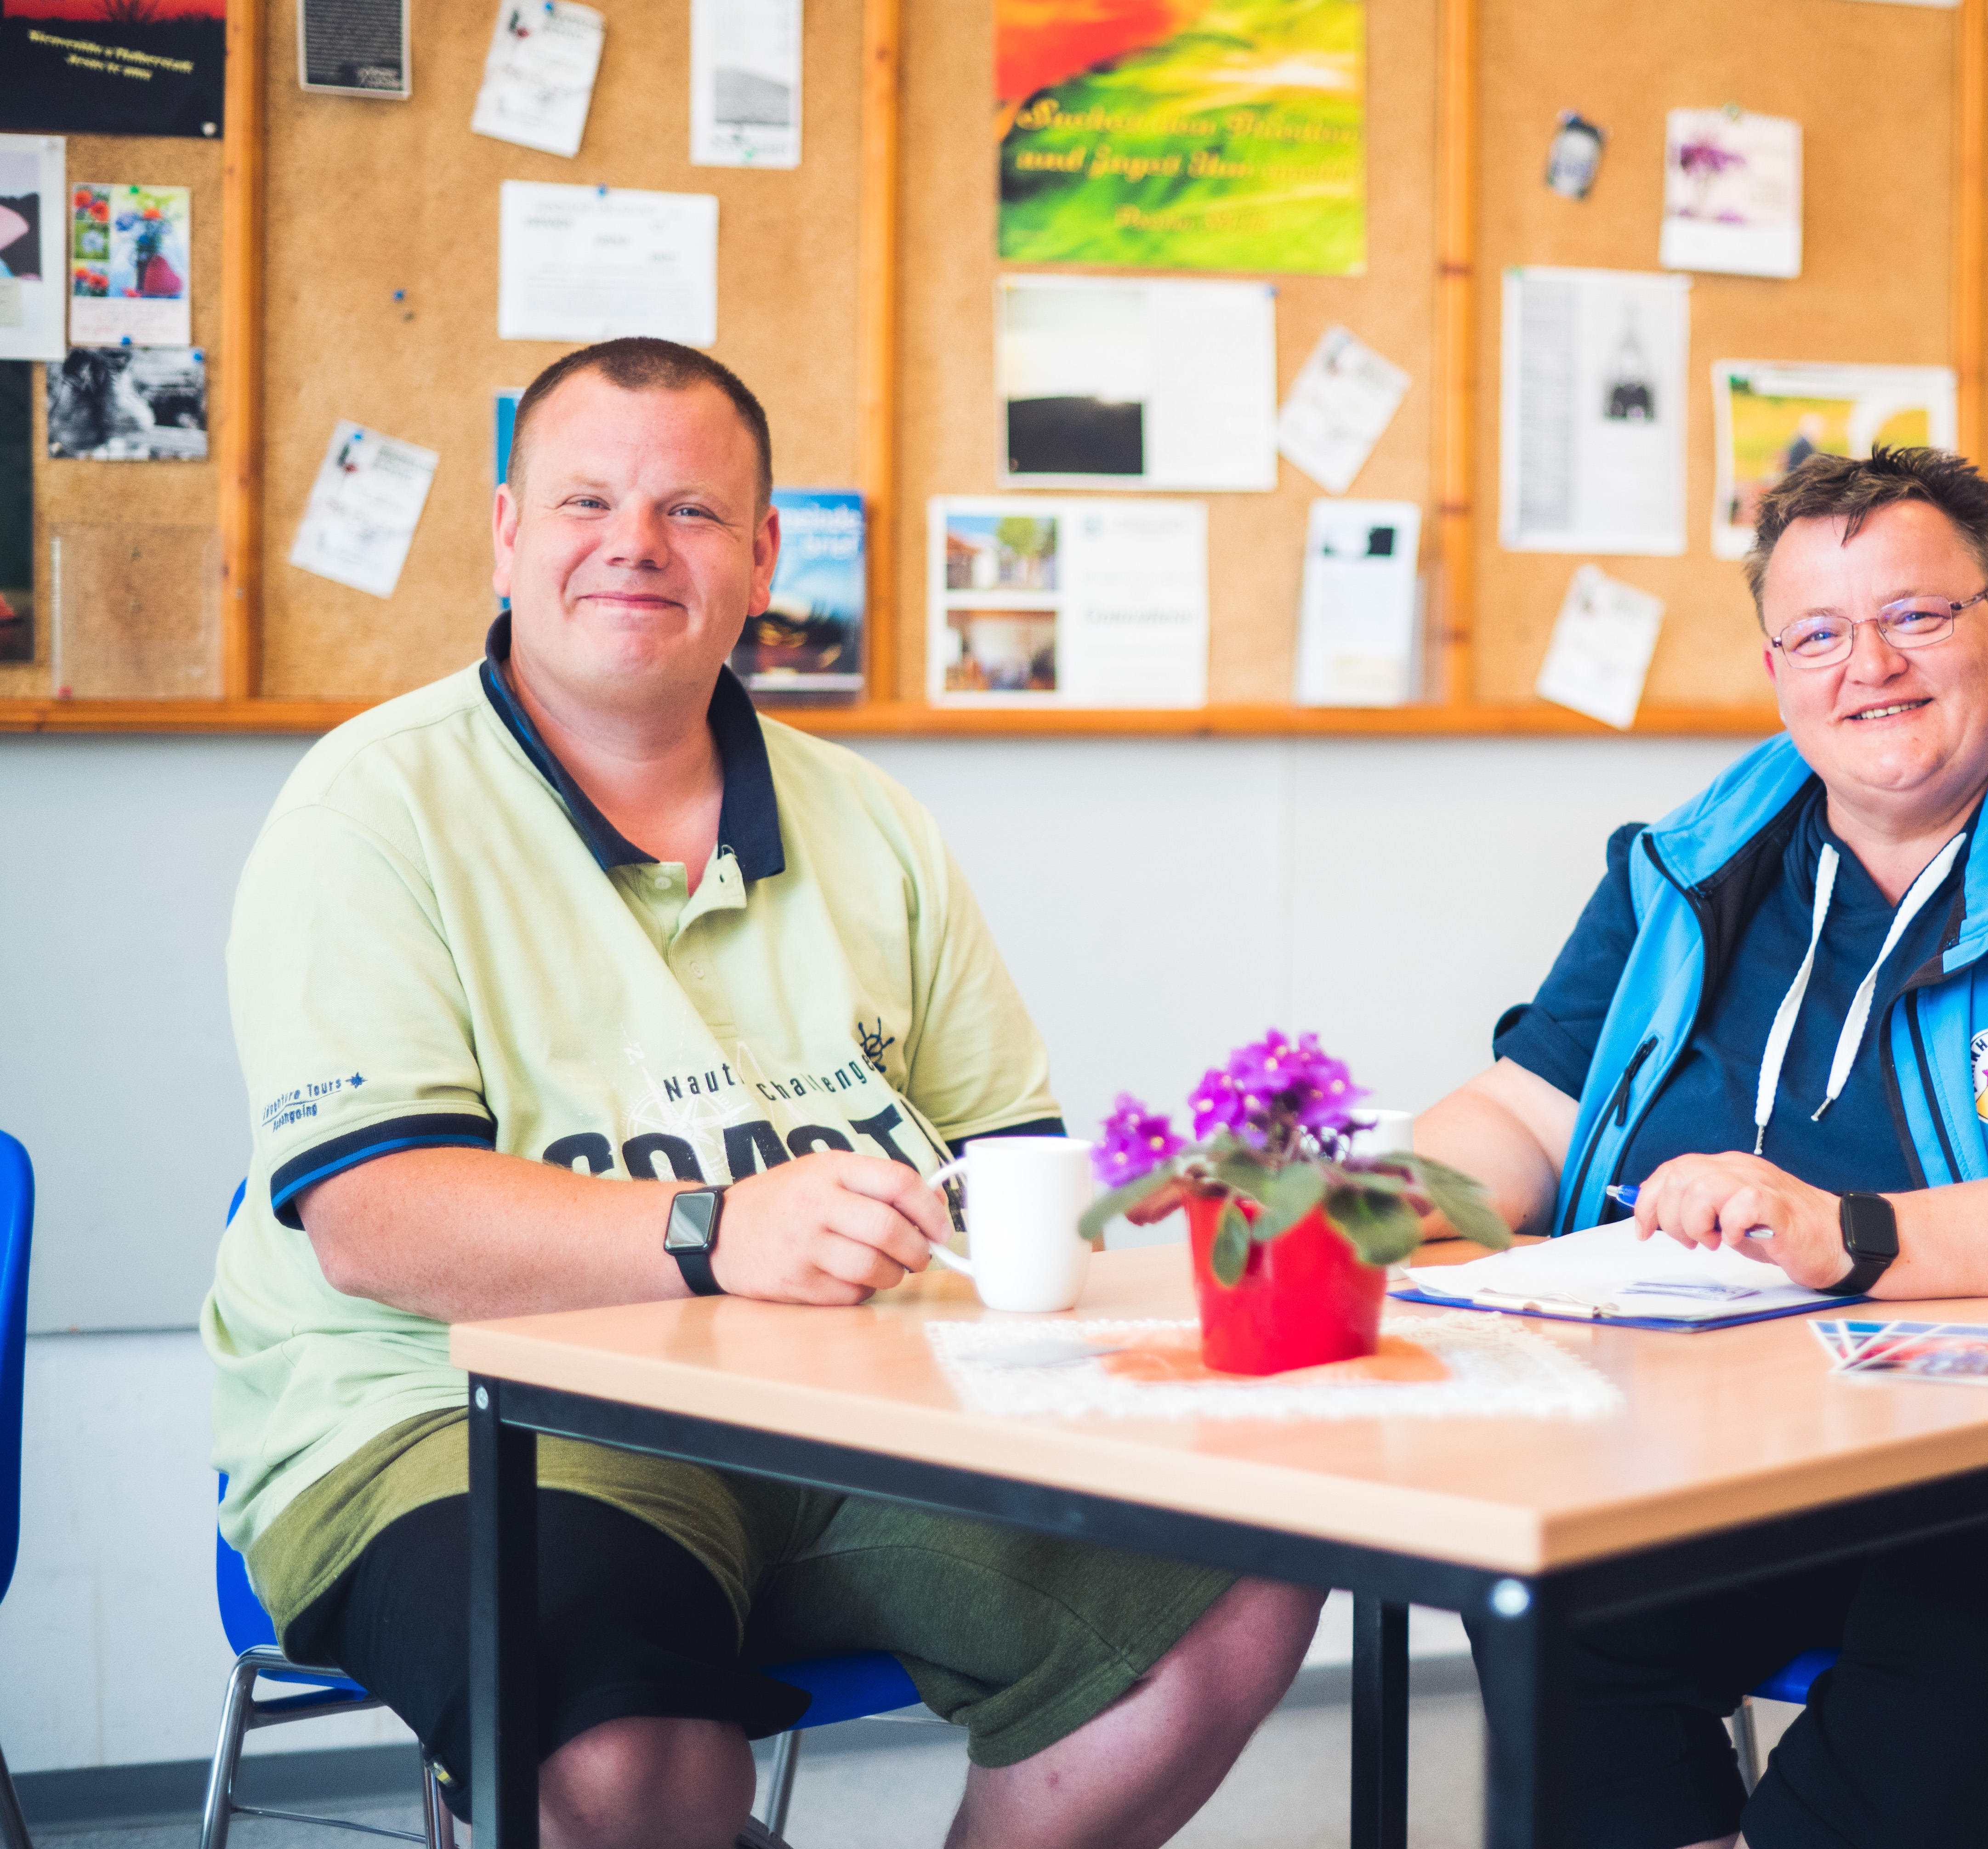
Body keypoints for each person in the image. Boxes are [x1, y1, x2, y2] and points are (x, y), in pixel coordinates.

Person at [204, 337, 1320, 1849]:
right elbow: (372, 1224)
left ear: (764, 553)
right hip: (468, 1418)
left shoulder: (873, 822)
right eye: (587, 499)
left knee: (1247, 1574)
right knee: (623, 1759)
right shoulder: (372, 807)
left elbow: (1009, 1153)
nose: (635, 547)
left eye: (692, 512)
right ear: (508, 533)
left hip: (855, 1416)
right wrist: (716, 1228)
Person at [1415, 448, 1988, 1849]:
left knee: (1971, 1642)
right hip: (1735, 1440)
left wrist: (1847, 1232)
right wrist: (1347, 1204)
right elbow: (1523, 1112)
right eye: (1821, 633)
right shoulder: (1692, 861)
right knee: (1551, 1590)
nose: (1871, 667)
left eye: (1916, 616)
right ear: (1777, 663)